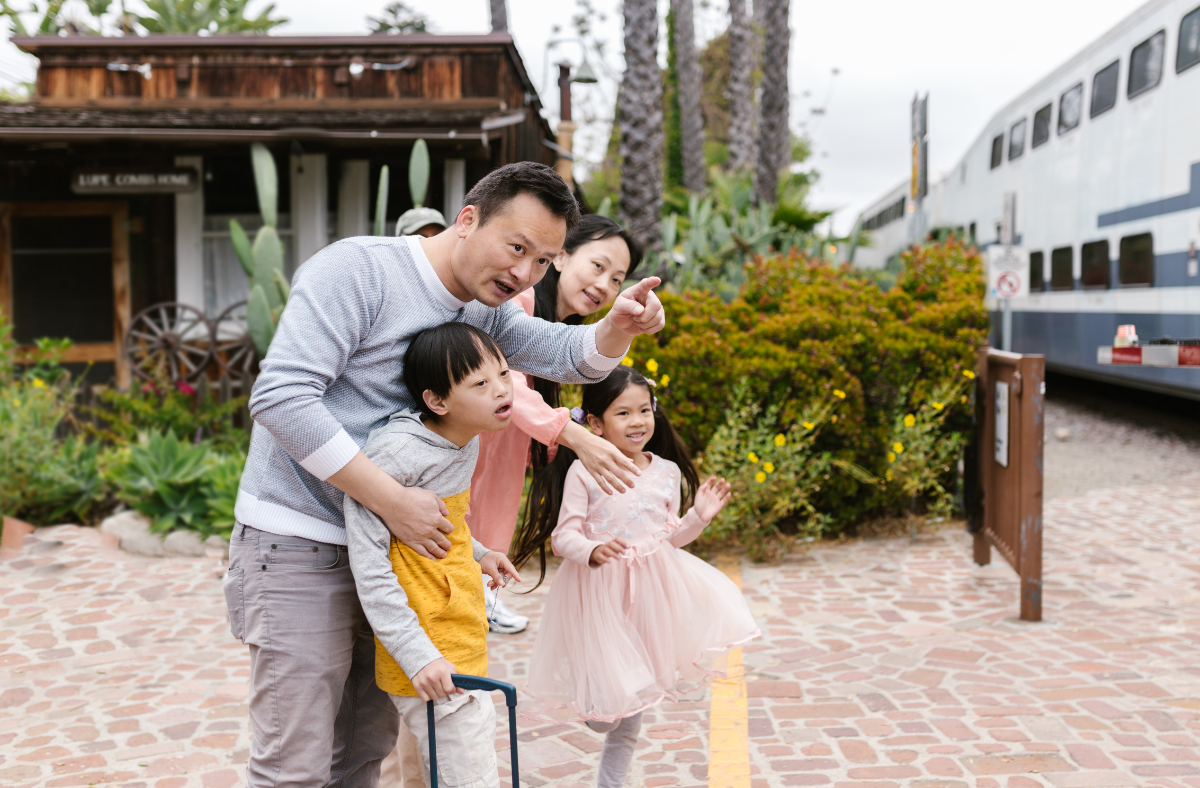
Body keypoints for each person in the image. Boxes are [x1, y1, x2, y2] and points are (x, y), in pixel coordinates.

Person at [225, 161, 664, 788]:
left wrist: (618, 326)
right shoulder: (358, 270)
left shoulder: (484, 310)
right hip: (300, 539)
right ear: (468, 219)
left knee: (361, 754)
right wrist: (393, 501)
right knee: (292, 767)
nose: (525, 274)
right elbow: (281, 398)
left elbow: (571, 356)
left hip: (399, 560)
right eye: (517, 247)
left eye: (543, 261)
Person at [512, 366, 760, 788]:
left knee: (631, 715)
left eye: (644, 410)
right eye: (623, 413)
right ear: (595, 424)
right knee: (605, 718)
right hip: (599, 599)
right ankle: (596, 705)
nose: (638, 421)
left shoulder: (665, 472)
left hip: (648, 600)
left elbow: (669, 539)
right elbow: (563, 537)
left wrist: (698, 517)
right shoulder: (585, 471)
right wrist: (592, 550)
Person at [346, 322, 523, 788]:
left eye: (503, 374)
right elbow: (370, 568)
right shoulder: (395, 455)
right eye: (480, 383)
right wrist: (417, 657)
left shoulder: (466, 437)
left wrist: (480, 553)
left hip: (459, 629)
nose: (501, 389)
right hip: (428, 648)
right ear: (437, 401)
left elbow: (444, 522)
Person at [467, 214, 644, 635]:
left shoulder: (562, 333)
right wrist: (574, 436)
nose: (604, 285)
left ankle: (479, 603)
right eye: (598, 266)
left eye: (616, 279)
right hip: (466, 455)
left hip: (494, 465)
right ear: (561, 257)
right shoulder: (517, 304)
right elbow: (502, 385)